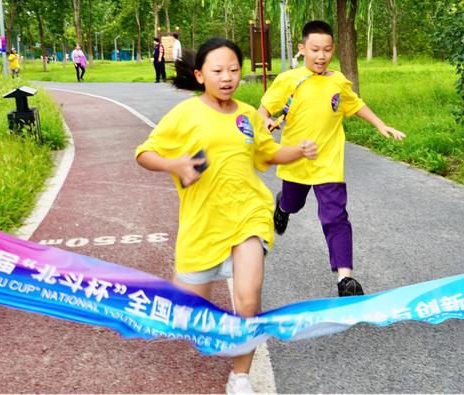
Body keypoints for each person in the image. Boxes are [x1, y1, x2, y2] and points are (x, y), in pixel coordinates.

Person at [135, 37, 317, 394]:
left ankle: (241, 376)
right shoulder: (186, 114)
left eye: (234, 69)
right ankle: (212, 330)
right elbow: (144, 153)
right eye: (218, 71)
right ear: (200, 75)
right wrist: (177, 165)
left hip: (249, 213)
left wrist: (297, 150)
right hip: (203, 222)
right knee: (185, 313)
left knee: (249, 298)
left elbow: (267, 153)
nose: (227, 77)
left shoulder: (247, 114)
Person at [258, 20, 406, 297]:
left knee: (336, 217)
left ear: (333, 49)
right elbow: (263, 110)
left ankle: (345, 279)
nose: (321, 55)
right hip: (295, 162)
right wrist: (265, 121)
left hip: (329, 164)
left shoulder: (338, 82)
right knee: (294, 202)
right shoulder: (289, 80)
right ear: (302, 49)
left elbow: (356, 105)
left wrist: (380, 124)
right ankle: (283, 206)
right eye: (315, 49)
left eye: (327, 49)